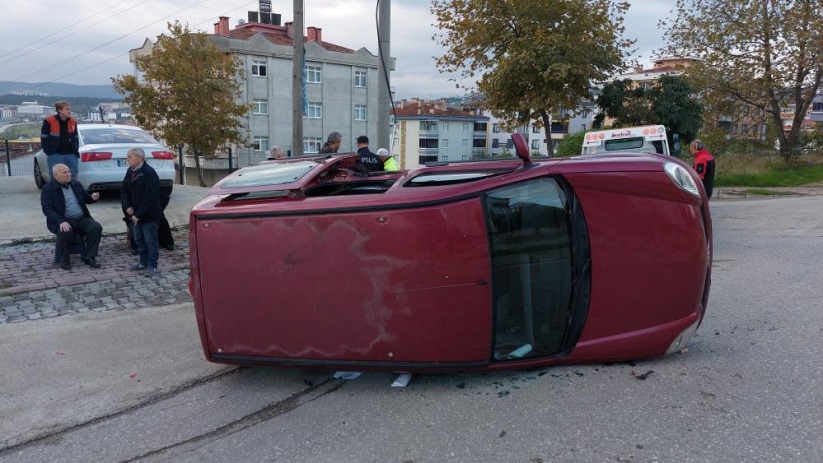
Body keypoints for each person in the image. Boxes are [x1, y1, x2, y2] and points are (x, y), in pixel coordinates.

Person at [40, 163, 102, 270]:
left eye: (69, 171)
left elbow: (86, 198)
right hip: (63, 220)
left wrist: (93, 197)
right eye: (65, 172)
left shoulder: (75, 184)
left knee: (96, 227)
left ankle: (89, 256)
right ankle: (64, 259)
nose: (69, 174)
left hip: (81, 218)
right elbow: (47, 209)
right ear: (55, 175)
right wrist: (60, 221)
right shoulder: (48, 189)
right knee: (65, 231)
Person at [121, 147, 162, 278]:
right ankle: (142, 262)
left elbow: (150, 197)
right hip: (135, 215)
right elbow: (124, 191)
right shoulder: (130, 171)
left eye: (130, 157)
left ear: (140, 158)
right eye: (127, 157)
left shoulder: (150, 173)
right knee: (139, 239)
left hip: (148, 215)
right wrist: (127, 207)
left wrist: (138, 215)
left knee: (150, 240)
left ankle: (152, 265)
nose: (127, 159)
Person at [40, 101, 80, 179]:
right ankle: (56, 191)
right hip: (55, 155)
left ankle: (73, 191)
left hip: (71, 155)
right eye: (67, 109)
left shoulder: (73, 121)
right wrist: (48, 152)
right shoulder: (49, 121)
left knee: (73, 176)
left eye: (70, 109)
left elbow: (75, 137)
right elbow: (44, 137)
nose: (69, 111)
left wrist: (75, 150)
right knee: (56, 177)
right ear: (60, 110)